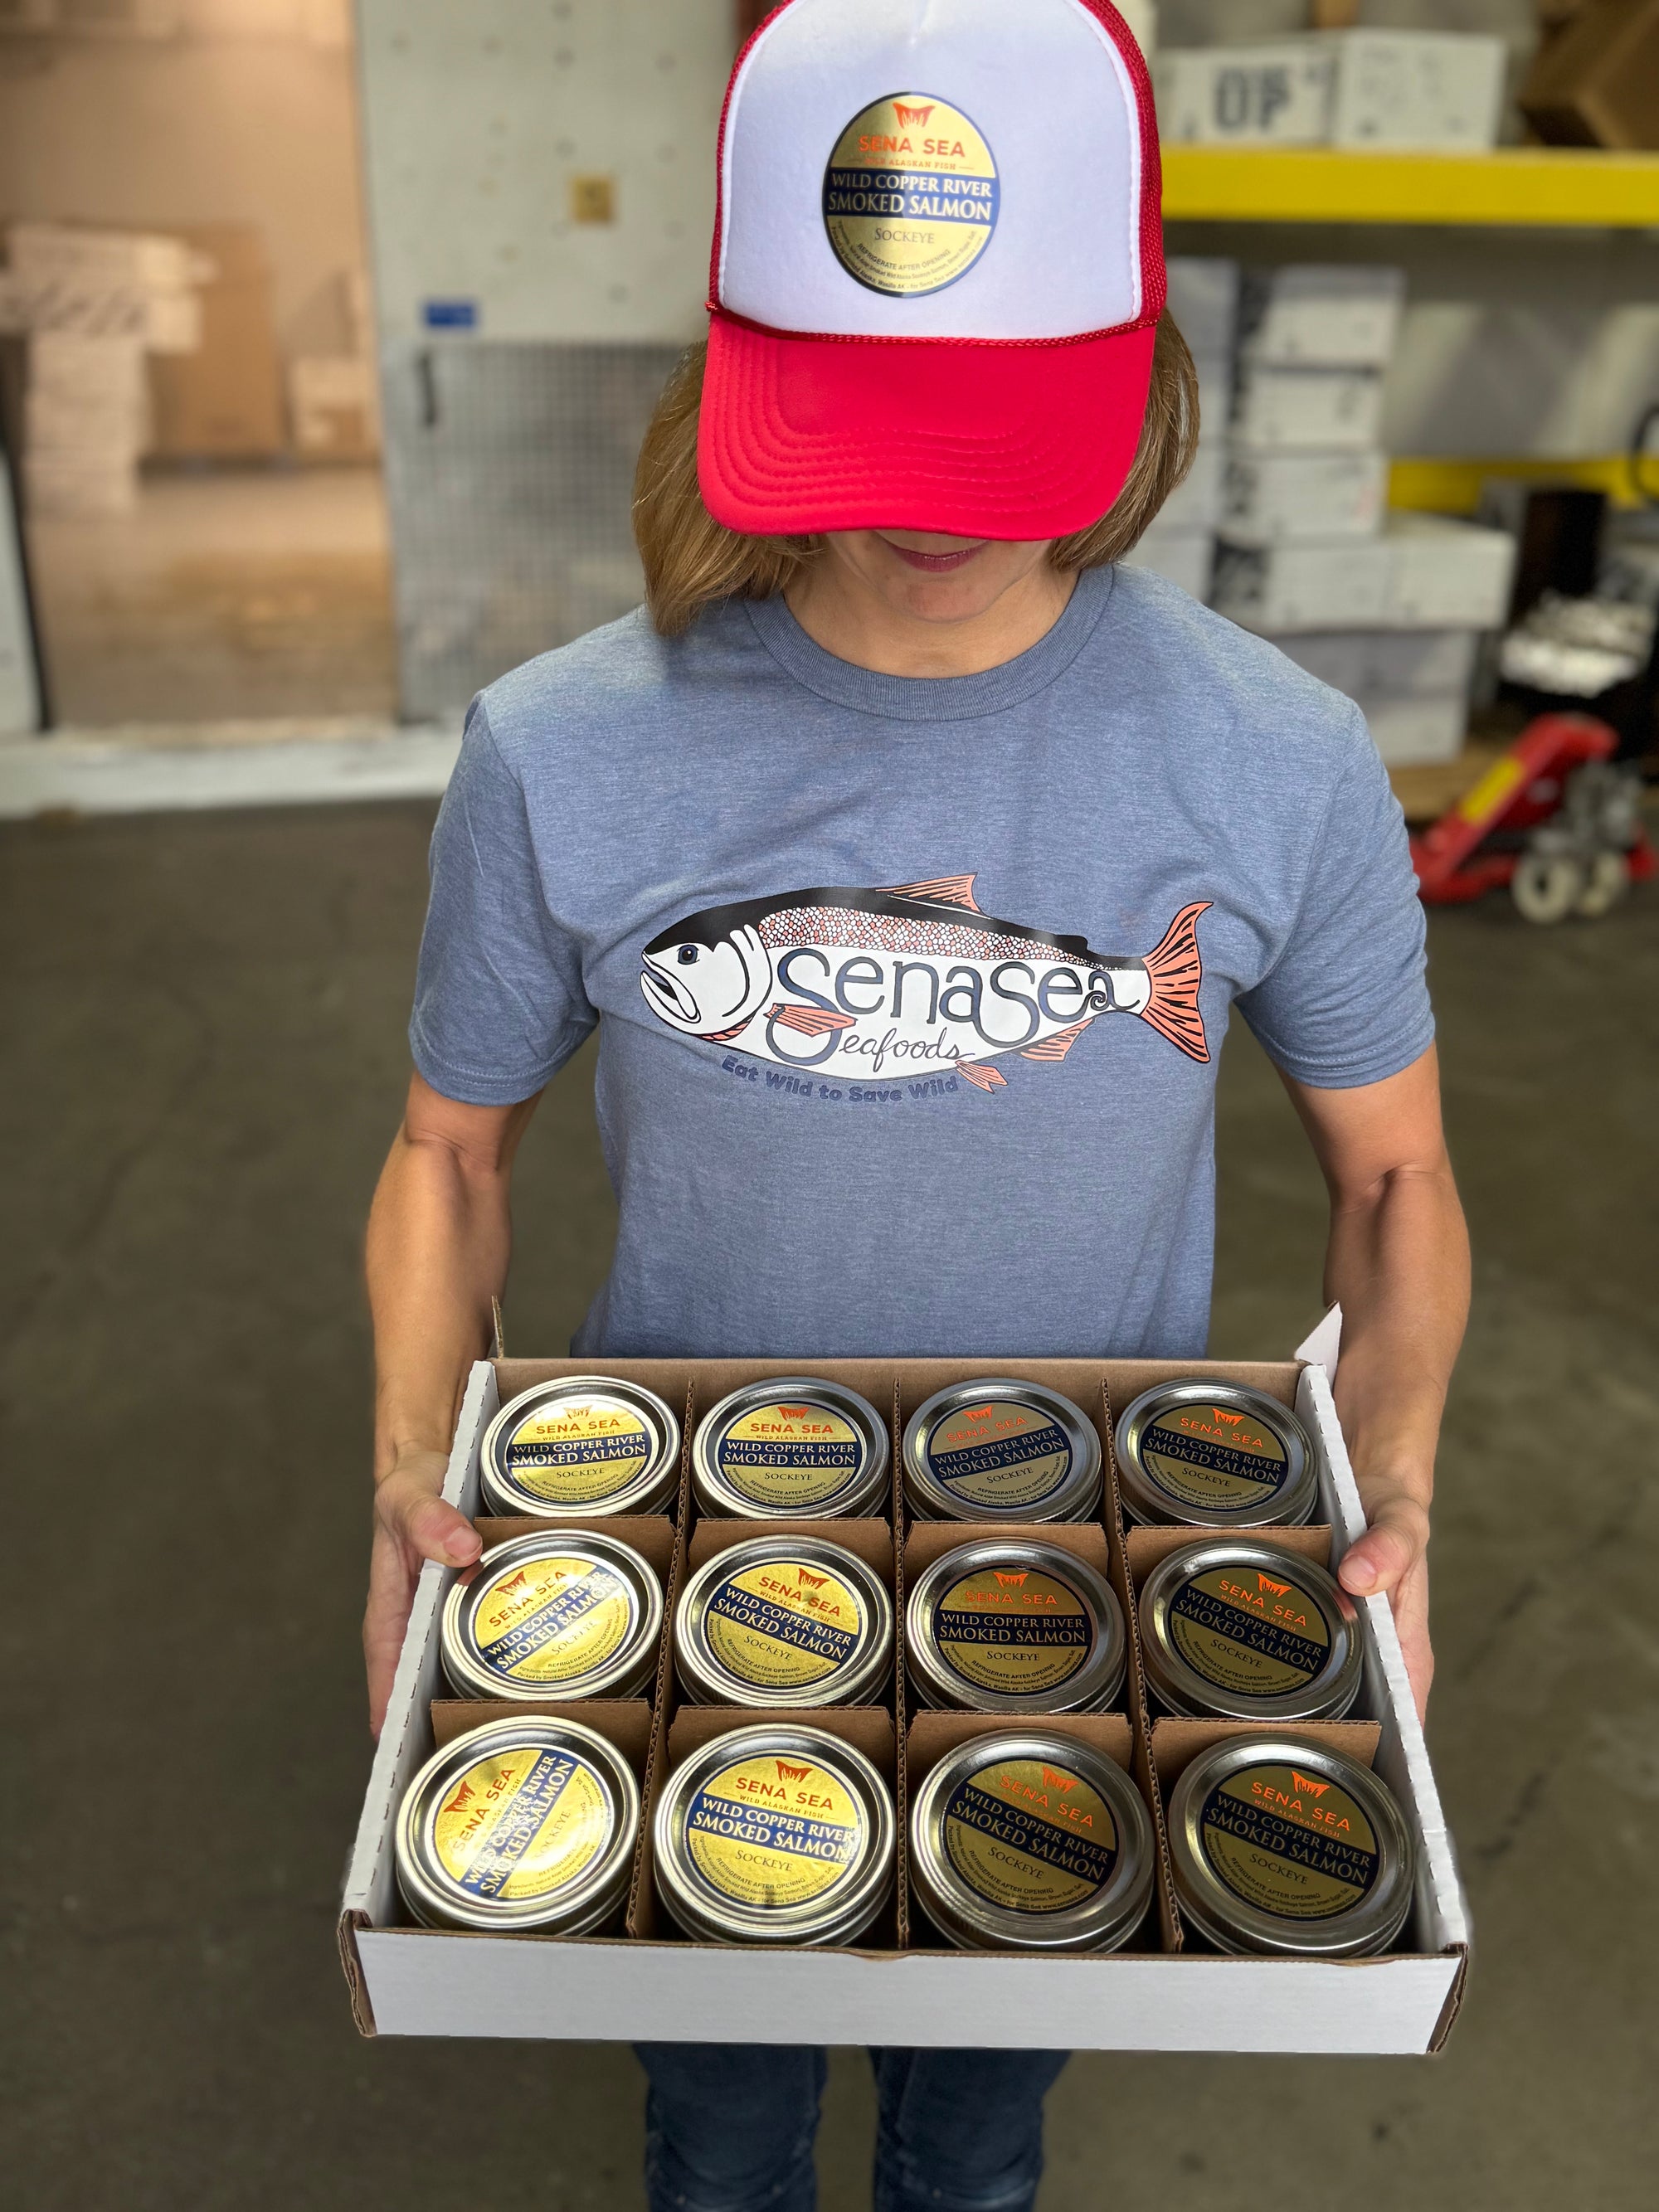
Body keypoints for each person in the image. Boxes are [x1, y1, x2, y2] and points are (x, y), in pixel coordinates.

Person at [364, 2, 1469, 2208]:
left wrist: (1405, 1467)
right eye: (872, 416)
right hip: (693, 1556)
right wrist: (405, 1450)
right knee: (720, 2129)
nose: (927, 510)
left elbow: (1402, 1173)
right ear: (740, 342)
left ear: (1139, 363)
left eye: (1002, 424)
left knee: (975, 2140)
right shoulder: (560, 747)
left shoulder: (1277, 757)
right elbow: (445, 1149)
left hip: (1075, 1594)